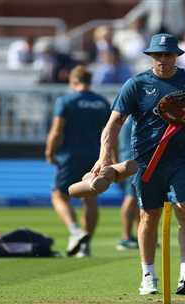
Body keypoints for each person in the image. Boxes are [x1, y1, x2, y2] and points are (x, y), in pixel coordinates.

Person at [91, 33, 185, 295]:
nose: (163, 60)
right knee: (150, 216)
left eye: (168, 54)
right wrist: (105, 155)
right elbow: (114, 122)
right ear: (150, 56)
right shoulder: (136, 84)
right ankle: (148, 275)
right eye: (158, 55)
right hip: (147, 160)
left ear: (176, 56)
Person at [45, 65, 111, 257]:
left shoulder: (66, 101)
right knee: (90, 199)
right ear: (90, 81)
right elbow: (109, 133)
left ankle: (75, 231)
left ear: (72, 81)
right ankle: (85, 246)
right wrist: (110, 156)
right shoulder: (101, 102)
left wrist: (50, 152)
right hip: (95, 156)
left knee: (59, 195)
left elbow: (57, 130)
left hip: (70, 156)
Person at [116, 117, 140, 250]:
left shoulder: (126, 118)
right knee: (131, 197)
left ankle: (138, 234)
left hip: (127, 159)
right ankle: (125, 237)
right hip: (132, 161)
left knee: (136, 198)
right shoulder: (133, 118)